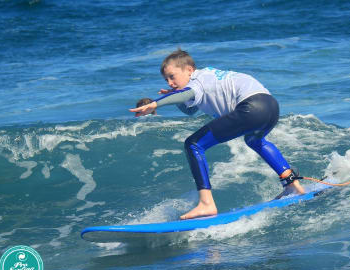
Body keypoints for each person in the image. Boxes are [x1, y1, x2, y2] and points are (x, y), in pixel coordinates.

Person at [130, 49, 305, 220]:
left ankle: (206, 203)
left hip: (250, 107)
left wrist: (156, 104)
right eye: (166, 79)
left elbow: (188, 93)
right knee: (254, 140)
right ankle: (293, 185)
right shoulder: (208, 77)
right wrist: (174, 96)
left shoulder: (197, 81)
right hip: (270, 106)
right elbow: (190, 109)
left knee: (193, 144)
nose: (169, 82)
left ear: (189, 69)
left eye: (172, 76)